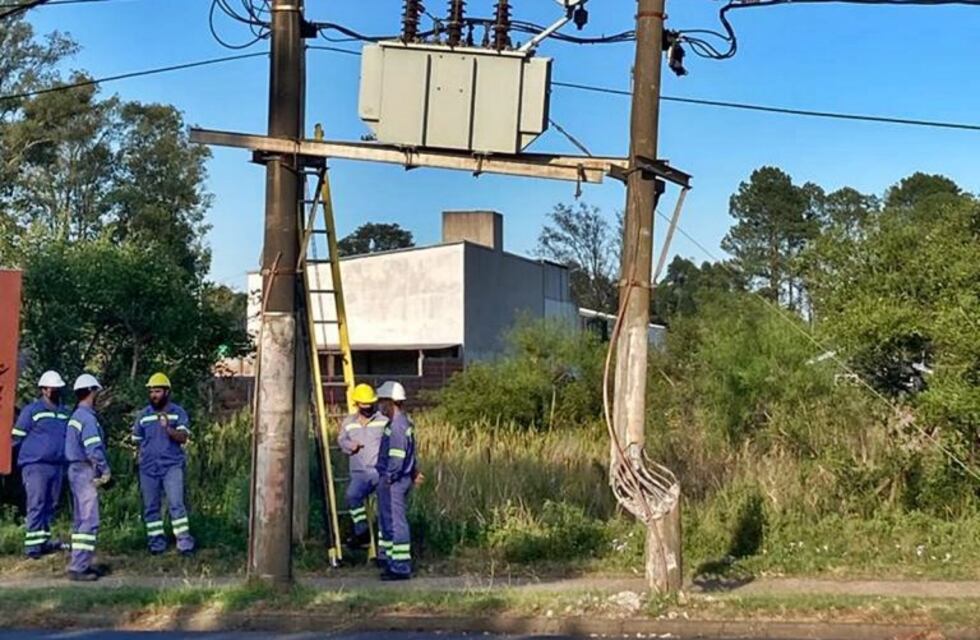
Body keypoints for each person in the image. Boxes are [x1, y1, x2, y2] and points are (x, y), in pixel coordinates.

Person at [132, 372, 195, 556]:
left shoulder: (178, 413)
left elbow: (183, 438)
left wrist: (168, 428)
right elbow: (136, 439)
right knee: (151, 507)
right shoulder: (143, 415)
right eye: (151, 391)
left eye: (157, 391)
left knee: (176, 504)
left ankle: (184, 544)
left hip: (171, 466)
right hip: (148, 468)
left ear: (167, 392)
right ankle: (156, 544)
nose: (154, 395)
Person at [12, 371, 69, 558]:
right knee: (36, 503)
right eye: (53, 388)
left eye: (58, 388)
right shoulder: (32, 411)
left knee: (51, 504)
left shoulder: (64, 412)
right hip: (35, 465)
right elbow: (16, 437)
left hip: (57, 465)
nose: (56, 391)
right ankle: (32, 548)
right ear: (43, 390)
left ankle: (43, 542)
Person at [64, 373, 111, 582]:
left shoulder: (75, 416)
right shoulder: (88, 418)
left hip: (75, 469)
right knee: (89, 519)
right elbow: (93, 448)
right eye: (97, 392)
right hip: (85, 470)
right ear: (91, 392)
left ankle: (79, 562)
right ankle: (79, 567)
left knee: (80, 520)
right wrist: (105, 471)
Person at [375, 381, 420, 581]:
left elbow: (397, 457)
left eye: (382, 401)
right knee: (388, 520)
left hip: (394, 480)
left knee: (396, 521)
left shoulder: (398, 426)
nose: (379, 406)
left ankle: (400, 566)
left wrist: (389, 477)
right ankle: (390, 560)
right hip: (394, 479)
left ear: (391, 402)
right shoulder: (398, 423)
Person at [337, 383, 389, 548]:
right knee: (352, 496)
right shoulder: (348, 422)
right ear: (357, 404)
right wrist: (350, 445)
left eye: (370, 405)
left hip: (380, 472)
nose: (367, 408)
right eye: (364, 405)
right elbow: (341, 440)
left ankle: (384, 548)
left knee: (384, 508)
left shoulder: (383, 421)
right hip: (359, 472)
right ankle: (362, 531)